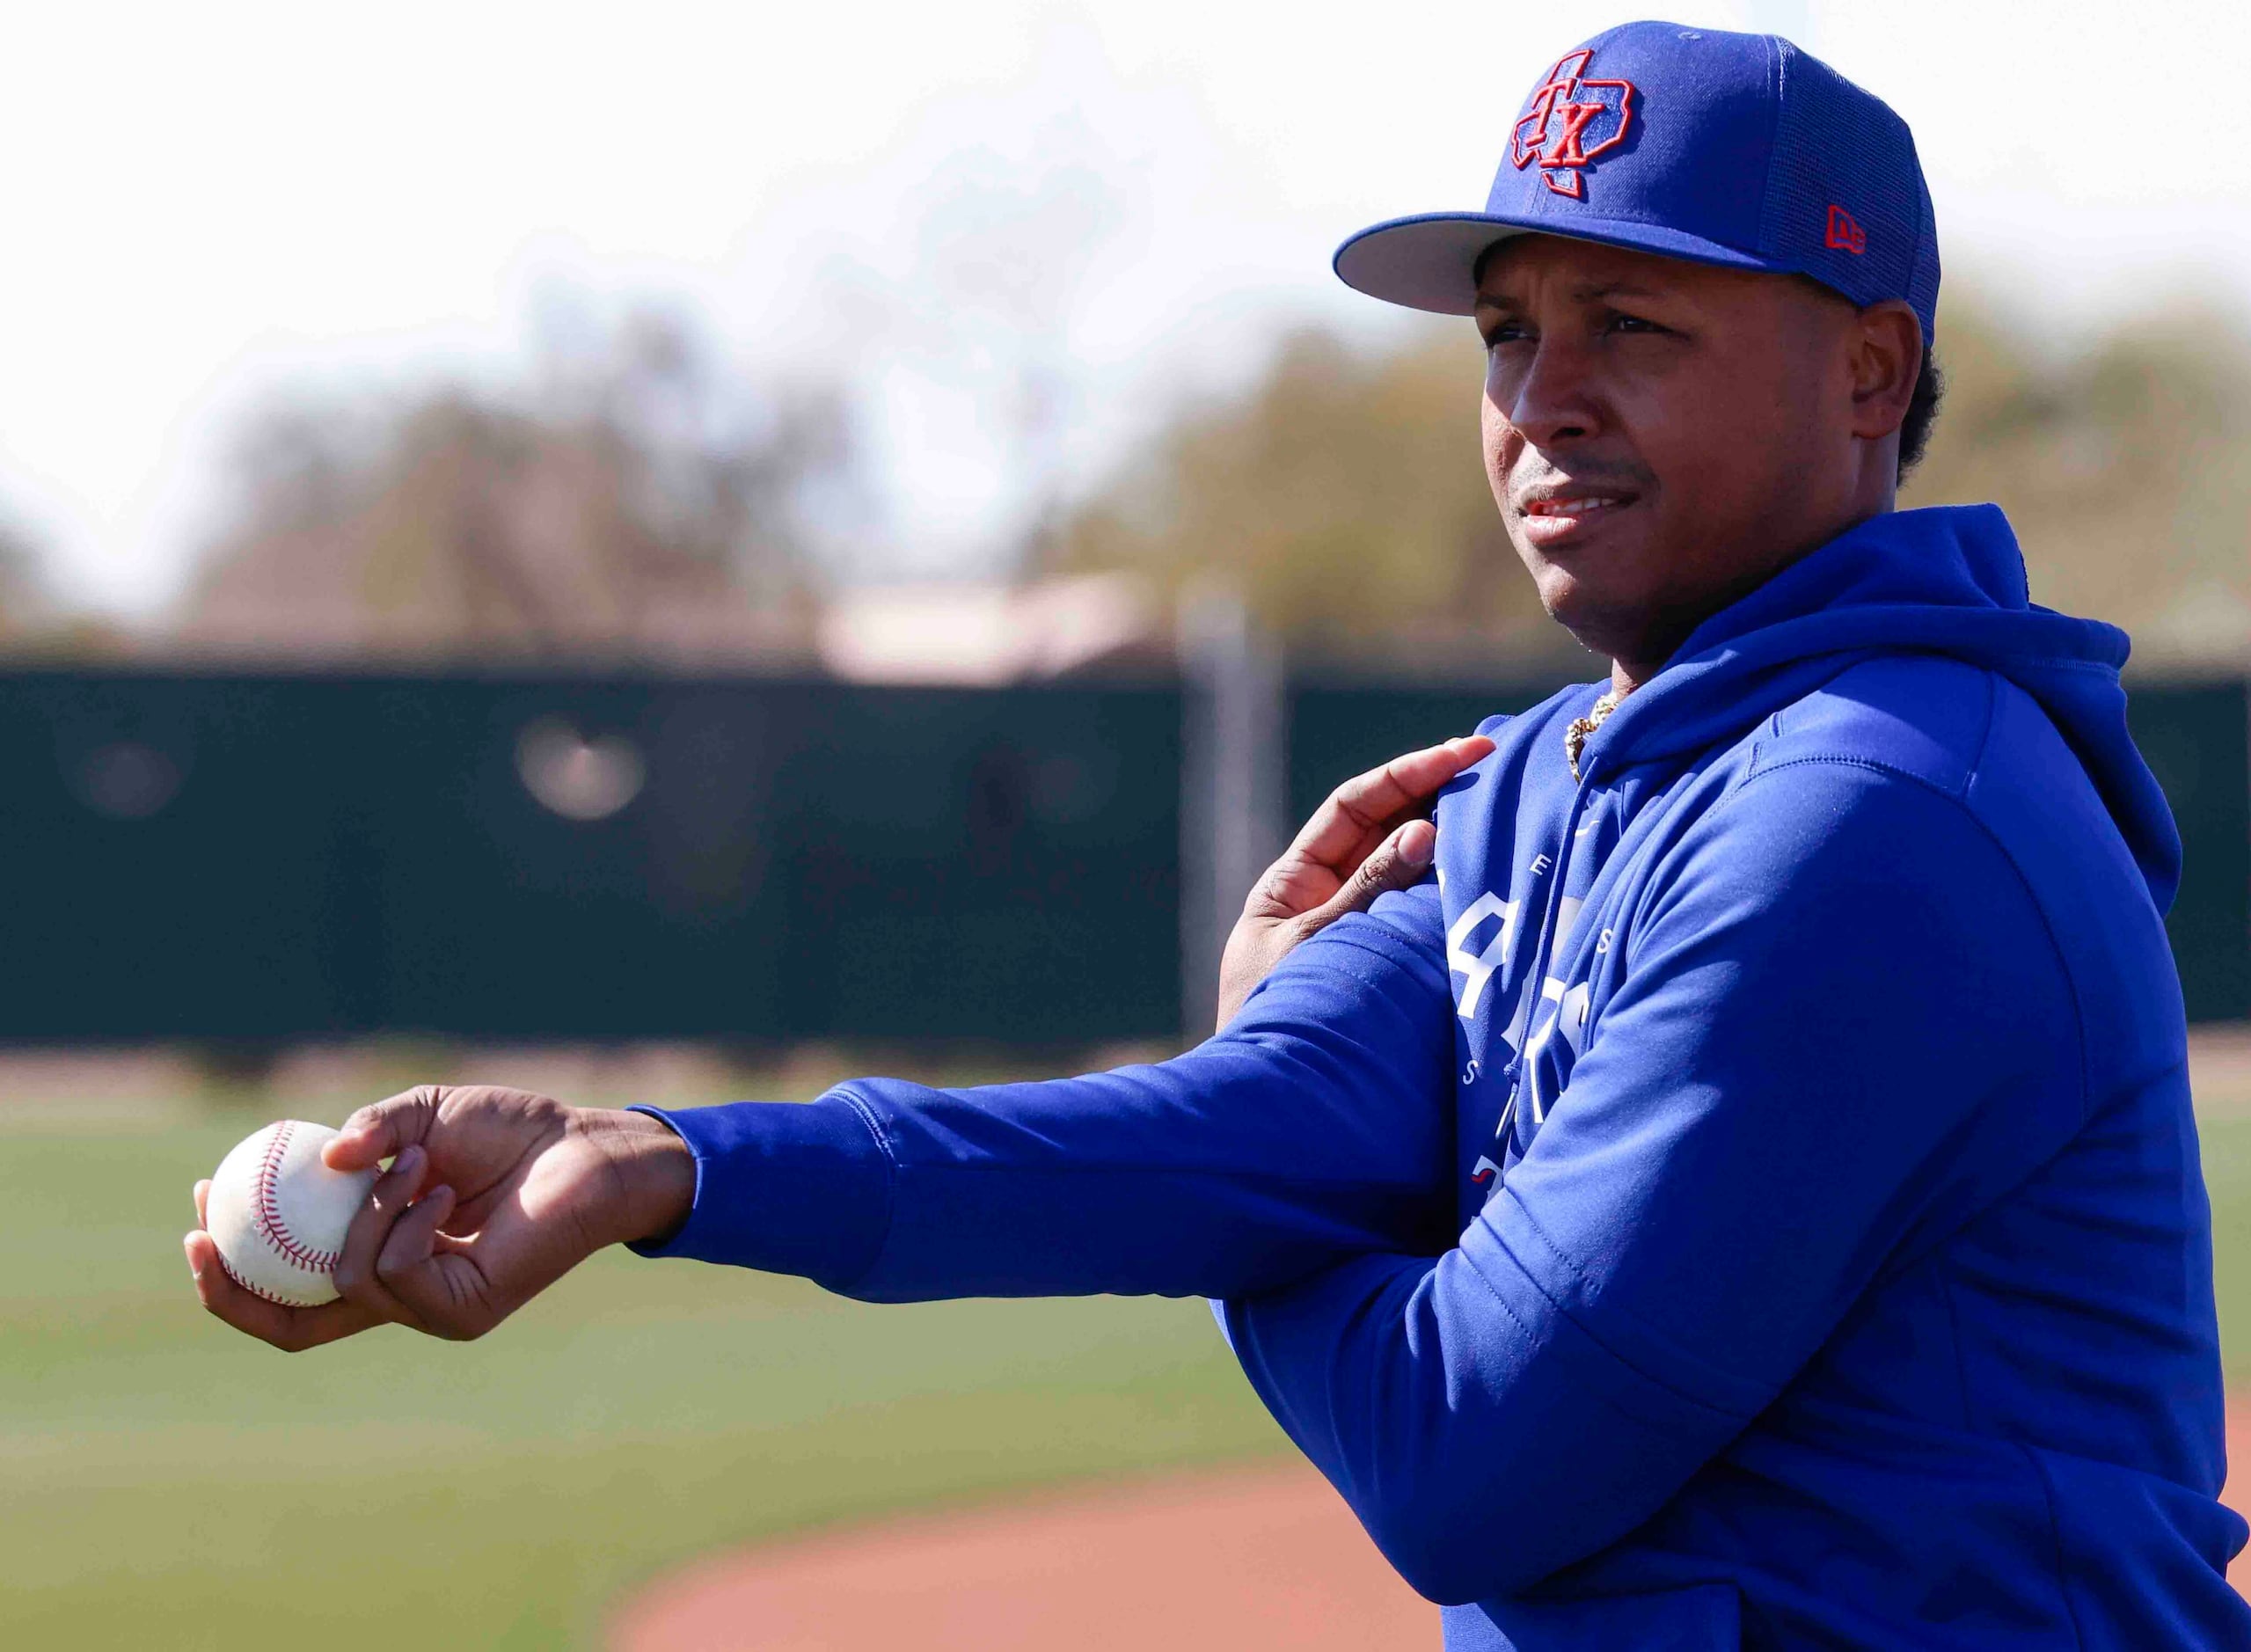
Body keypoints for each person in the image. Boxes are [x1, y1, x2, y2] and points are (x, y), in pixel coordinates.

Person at [186, 22, 2248, 1648]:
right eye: (1507, 331)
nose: (1542, 397)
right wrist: (669, 1170)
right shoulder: (1547, 776)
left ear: (1870, 369)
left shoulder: (1878, 818)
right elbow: (1228, 1131)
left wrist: (1259, 1207)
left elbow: (1462, 1459)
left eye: (1636, 326)